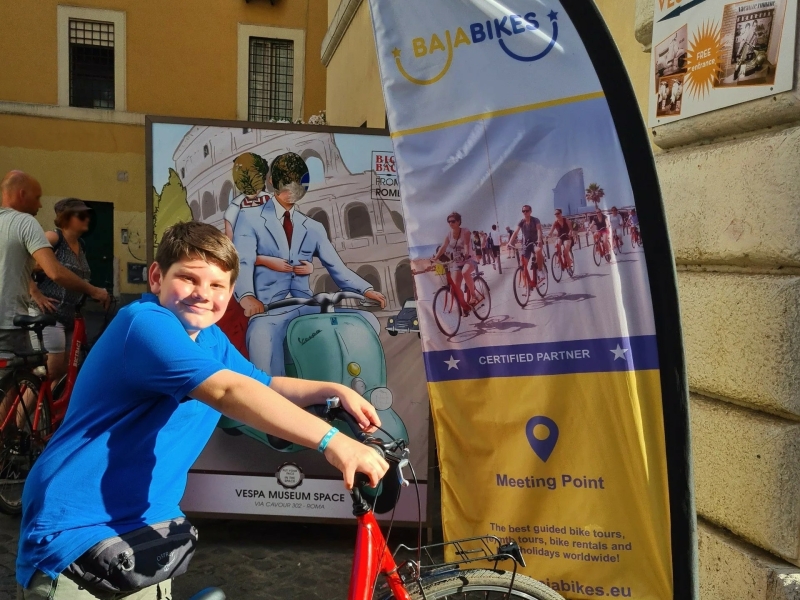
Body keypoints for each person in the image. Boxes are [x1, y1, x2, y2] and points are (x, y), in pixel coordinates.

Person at [17, 221, 389, 599]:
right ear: (157, 277)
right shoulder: (145, 324)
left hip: (146, 525)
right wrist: (331, 441)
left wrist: (334, 390)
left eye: (217, 285)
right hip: (79, 529)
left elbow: (263, 384)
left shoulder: (208, 337)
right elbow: (227, 391)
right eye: (189, 279)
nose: (202, 295)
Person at [232, 152, 386, 377]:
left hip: (307, 305)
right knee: (261, 339)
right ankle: (274, 402)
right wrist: (247, 297)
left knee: (366, 322)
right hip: (268, 310)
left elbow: (337, 267)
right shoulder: (249, 218)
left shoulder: (312, 227)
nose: (293, 193)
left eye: (300, 187)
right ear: (272, 182)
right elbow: (242, 261)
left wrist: (366, 289)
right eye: (288, 186)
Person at [0, 172, 109, 420]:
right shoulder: (31, 226)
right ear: (21, 194)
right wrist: (36, 292)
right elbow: (52, 271)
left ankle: (14, 433)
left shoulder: (82, 247)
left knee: (29, 374)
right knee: (29, 374)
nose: (40, 204)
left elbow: (18, 264)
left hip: (61, 313)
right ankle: (15, 432)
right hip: (24, 317)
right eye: (37, 198)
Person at [27, 199, 93, 385]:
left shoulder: (82, 246)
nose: (86, 218)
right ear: (66, 218)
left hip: (70, 315)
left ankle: (47, 411)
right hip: (49, 313)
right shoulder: (53, 238)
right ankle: (23, 414)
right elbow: (22, 265)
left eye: (87, 214)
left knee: (65, 371)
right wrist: (35, 292)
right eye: (81, 215)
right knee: (51, 370)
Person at [432, 212, 480, 308]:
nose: (450, 223)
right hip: (457, 262)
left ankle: (474, 296)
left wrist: (466, 253)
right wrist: (435, 258)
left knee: (465, 272)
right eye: (449, 221)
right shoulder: (449, 235)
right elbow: (443, 247)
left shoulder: (465, 231)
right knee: (455, 287)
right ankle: (465, 307)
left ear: (458, 221)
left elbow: (466, 244)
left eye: (453, 221)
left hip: (469, 259)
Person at [509, 205, 545, 285]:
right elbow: (515, 232)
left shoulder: (535, 220)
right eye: (523, 211)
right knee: (523, 265)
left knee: (538, 251)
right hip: (526, 244)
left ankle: (540, 270)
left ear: (530, 211)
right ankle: (528, 285)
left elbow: (539, 230)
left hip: (535, 242)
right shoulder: (521, 222)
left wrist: (539, 239)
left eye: (527, 211)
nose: (525, 212)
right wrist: (510, 242)